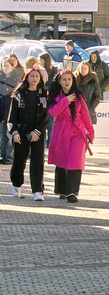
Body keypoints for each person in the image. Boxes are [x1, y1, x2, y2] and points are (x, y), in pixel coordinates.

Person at [48, 69, 94, 203]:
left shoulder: (79, 97)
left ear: (73, 80)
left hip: (77, 132)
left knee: (76, 161)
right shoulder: (55, 96)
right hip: (61, 131)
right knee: (61, 161)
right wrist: (65, 101)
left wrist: (90, 133)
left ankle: (72, 192)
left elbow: (86, 116)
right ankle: (62, 190)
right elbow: (54, 112)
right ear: (59, 81)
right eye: (64, 79)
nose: (67, 82)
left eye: (69, 79)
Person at [8, 67, 48, 201]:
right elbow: (12, 116)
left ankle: (37, 190)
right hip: (21, 131)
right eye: (32, 76)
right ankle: (16, 184)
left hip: (38, 132)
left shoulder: (44, 95)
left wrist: (37, 132)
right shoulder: (19, 94)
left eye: (37, 76)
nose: (35, 79)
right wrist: (14, 132)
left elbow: (45, 117)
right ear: (27, 78)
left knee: (37, 161)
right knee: (19, 160)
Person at [0, 55, 23, 164]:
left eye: (7, 65)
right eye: (3, 65)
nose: (5, 67)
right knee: (1, 135)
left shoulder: (15, 79)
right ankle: (3, 156)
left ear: (12, 66)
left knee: (8, 134)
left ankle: (9, 157)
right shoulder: (0, 78)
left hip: (9, 111)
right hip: (0, 110)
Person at [76, 61, 101, 127]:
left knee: (87, 133)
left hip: (88, 110)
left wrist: (91, 107)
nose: (83, 70)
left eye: (85, 68)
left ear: (88, 69)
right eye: (82, 68)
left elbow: (98, 96)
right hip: (76, 110)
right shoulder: (74, 80)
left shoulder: (93, 81)